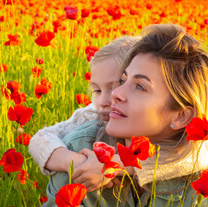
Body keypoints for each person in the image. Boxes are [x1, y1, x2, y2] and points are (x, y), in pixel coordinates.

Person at [34, 23, 208, 207]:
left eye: (140, 86)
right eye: (123, 80)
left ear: (180, 116)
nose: (115, 93)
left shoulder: (202, 182)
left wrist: (119, 166)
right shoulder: (78, 151)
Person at [29, 36, 140, 190]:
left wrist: (111, 165)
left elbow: (173, 161)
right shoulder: (92, 114)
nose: (102, 101)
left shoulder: (158, 122)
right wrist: (81, 164)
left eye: (114, 88)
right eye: (97, 90)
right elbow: (39, 141)